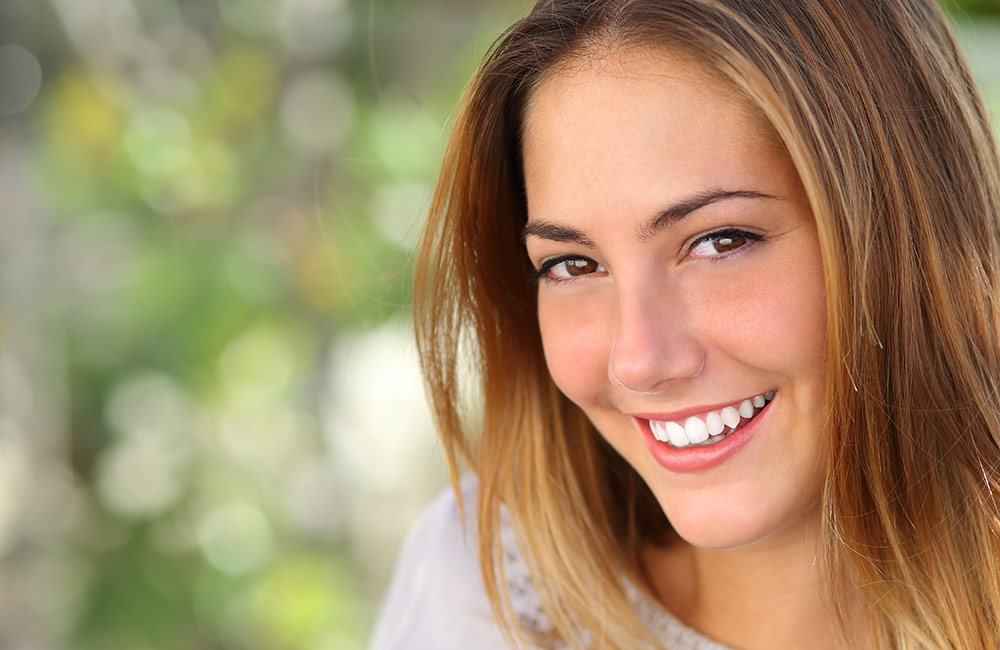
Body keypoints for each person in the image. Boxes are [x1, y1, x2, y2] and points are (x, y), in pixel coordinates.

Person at [371, 0, 1000, 648]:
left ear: (908, 237)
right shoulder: (481, 594)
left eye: (721, 242)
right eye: (573, 264)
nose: (638, 361)